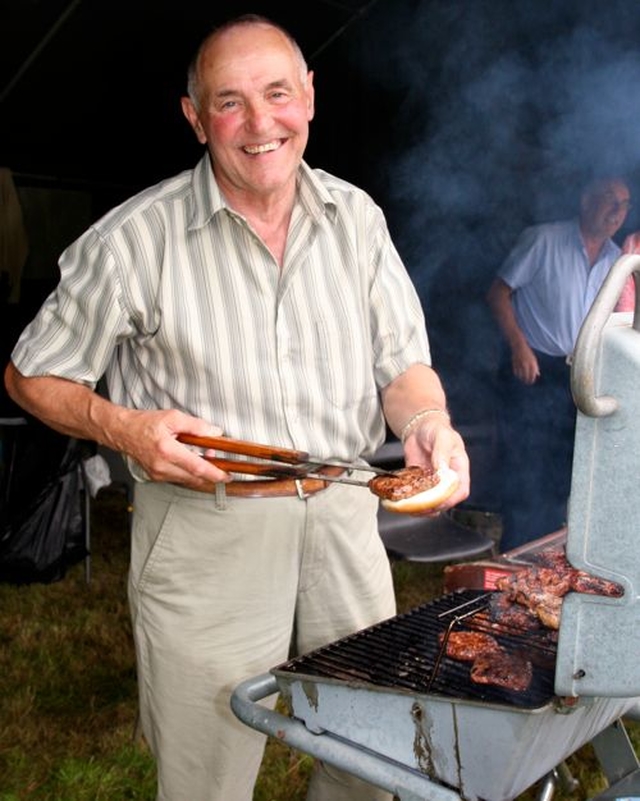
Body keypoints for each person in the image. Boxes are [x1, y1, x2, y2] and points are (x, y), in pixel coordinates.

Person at [4, 14, 470, 801]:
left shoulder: (357, 219)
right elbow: (29, 376)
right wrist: (122, 428)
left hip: (345, 522)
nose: (260, 124)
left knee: (375, 757)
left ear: (310, 98)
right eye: (229, 102)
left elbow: (405, 367)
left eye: (278, 93)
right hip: (204, 532)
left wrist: (428, 423)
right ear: (193, 116)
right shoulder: (132, 240)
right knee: (206, 775)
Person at [487, 175, 633, 551]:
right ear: (586, 200)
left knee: (561, 473)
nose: (616, 212)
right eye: (609, 200)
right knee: (524, 469)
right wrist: (519, 347)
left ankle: (545, 560)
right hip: (531, 369)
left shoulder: (618, 260)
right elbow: (498, 293)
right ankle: (513, 558)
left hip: (575, 375)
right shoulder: (543, 239)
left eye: (624, 204)